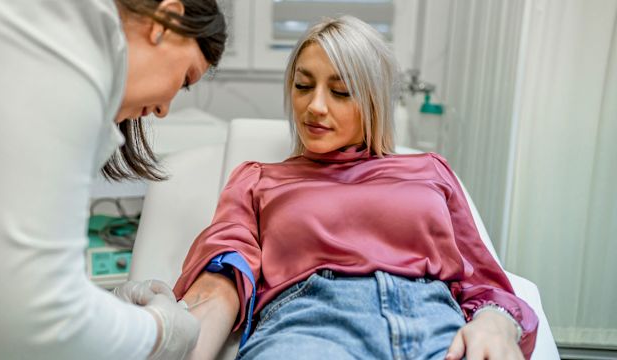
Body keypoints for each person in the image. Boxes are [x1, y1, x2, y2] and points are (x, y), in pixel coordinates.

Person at [171, 16, 539, 360]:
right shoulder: (259, 180)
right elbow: (222, 279)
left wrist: (496, 324)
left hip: (436, 327)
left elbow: (483, 282)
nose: (314, 106)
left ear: (372, 100)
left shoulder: (430, 171)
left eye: (340, 91)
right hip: (309, 328)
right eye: (302, 86)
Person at [0, 0, 225, 359]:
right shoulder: (67, 50)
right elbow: (34, 319)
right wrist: (159, 330)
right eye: (185, 78)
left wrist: (100, 309)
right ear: (167, 21)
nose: (163, 109)